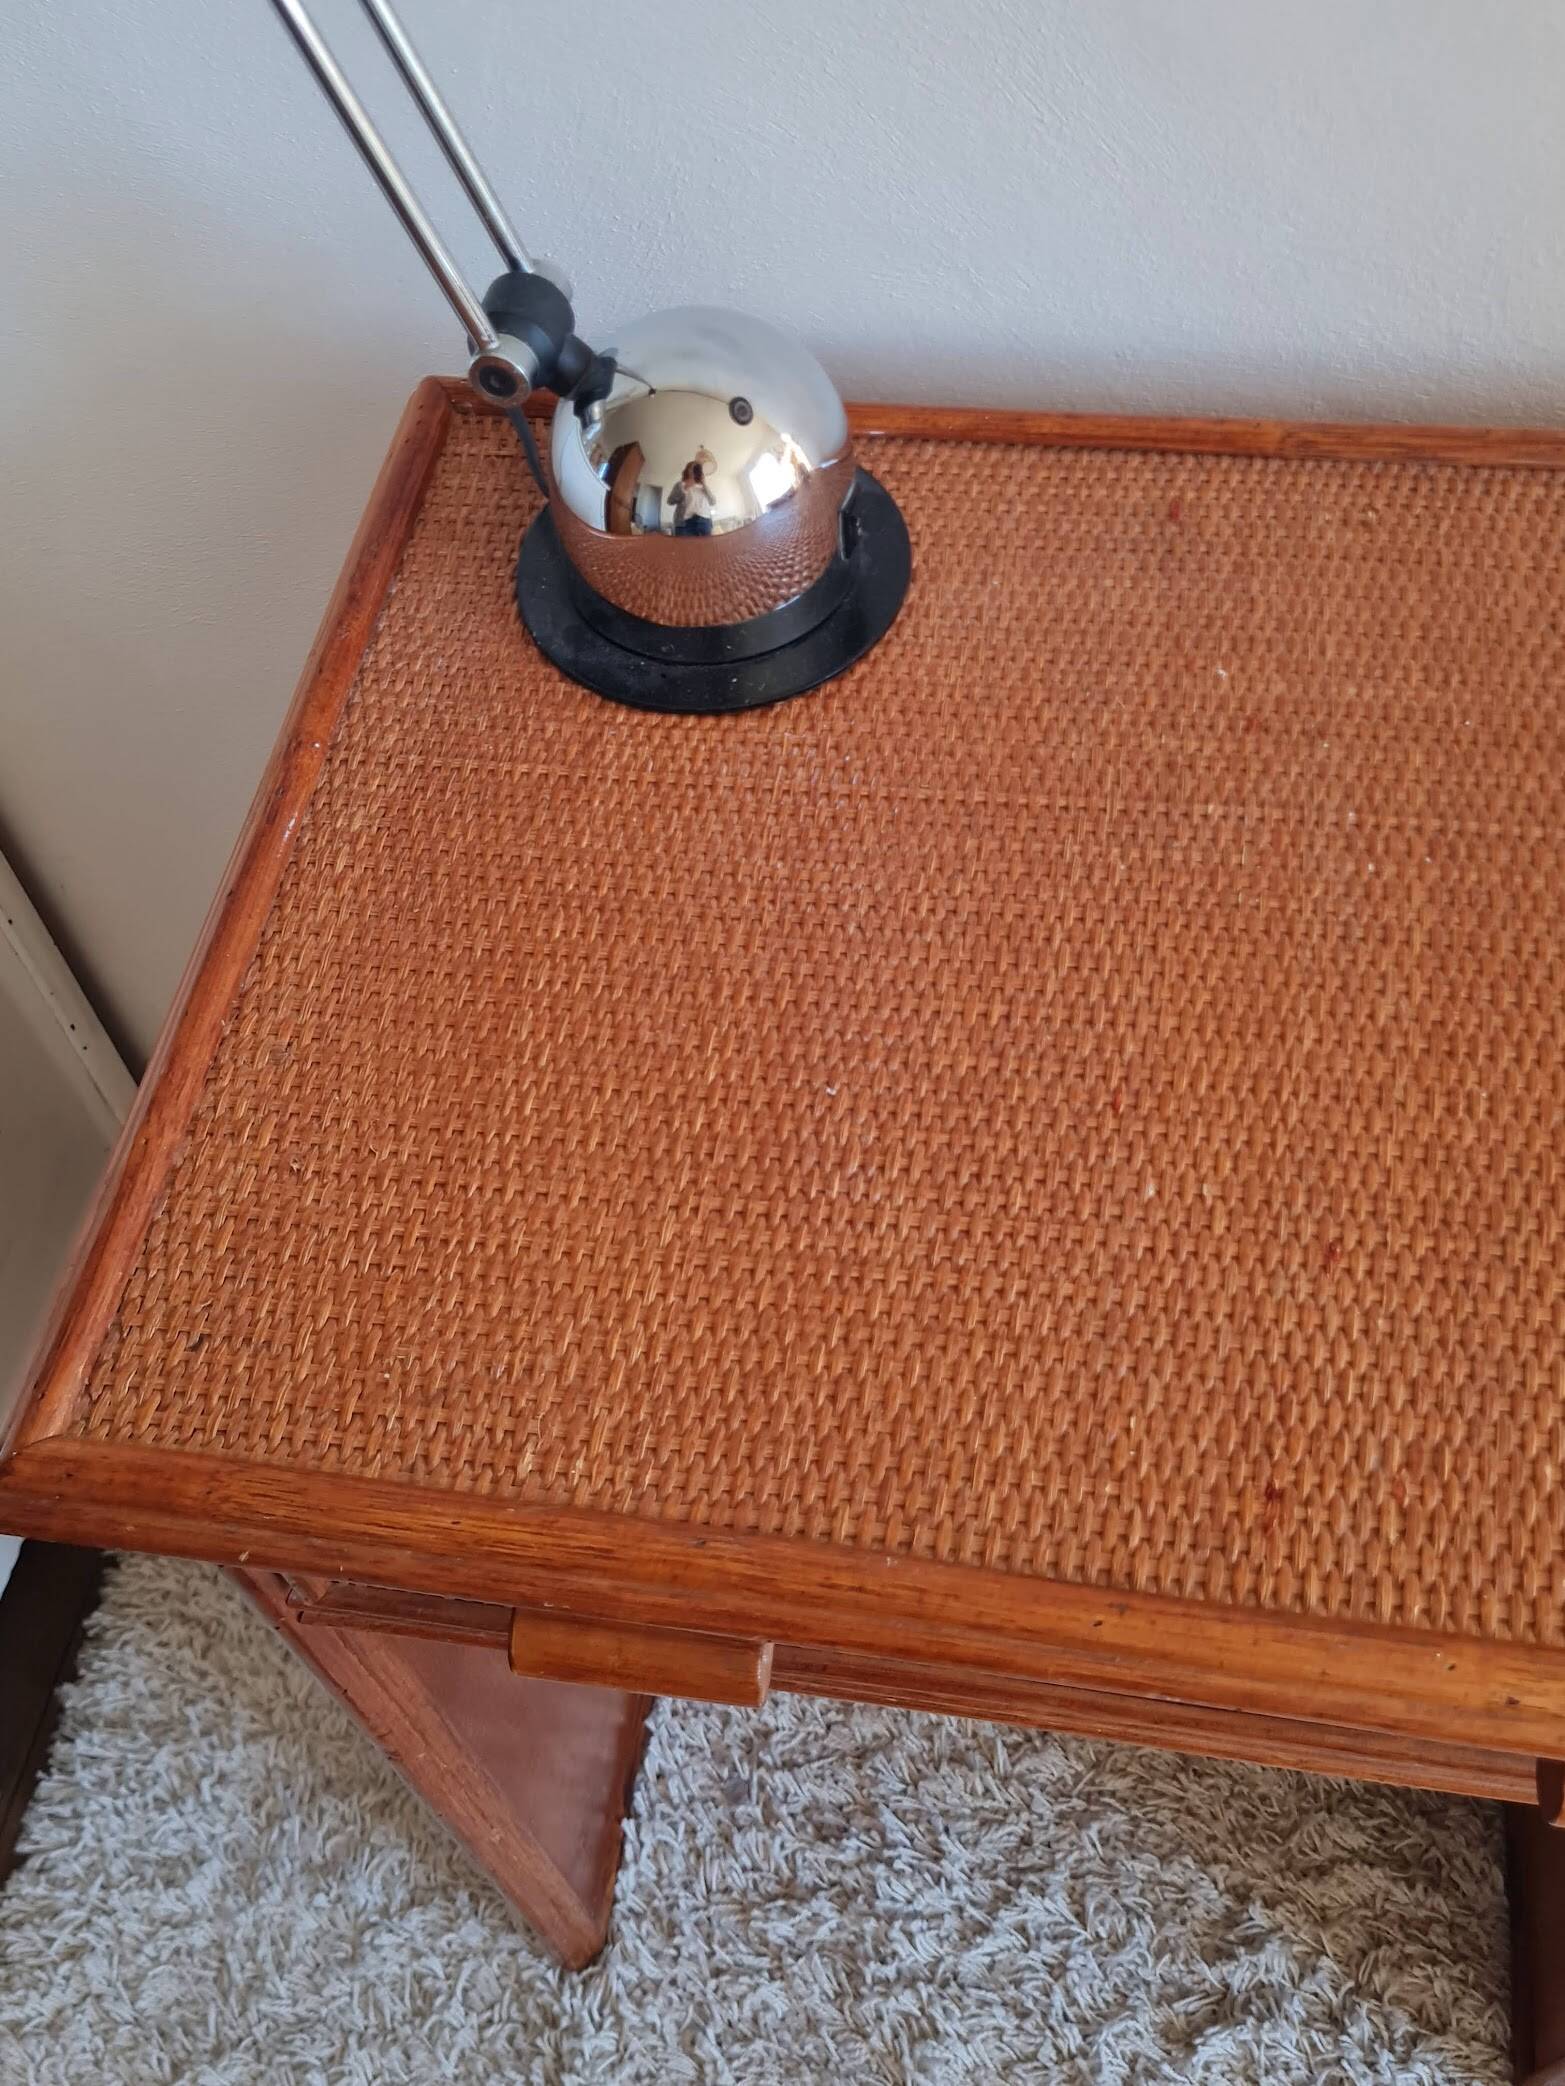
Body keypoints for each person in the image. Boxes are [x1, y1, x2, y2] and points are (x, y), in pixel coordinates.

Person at [668, 460, 716, 537]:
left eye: (697, 468)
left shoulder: (704, 486)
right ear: (687, 470)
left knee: (706, 547)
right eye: (692, 468)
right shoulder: (680, 484)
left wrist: (704, 485)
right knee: (685, 548)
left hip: (704, 521)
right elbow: (670, 501)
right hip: (684, 523)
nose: (694, 470)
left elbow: (713, 502)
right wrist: (686, 487)